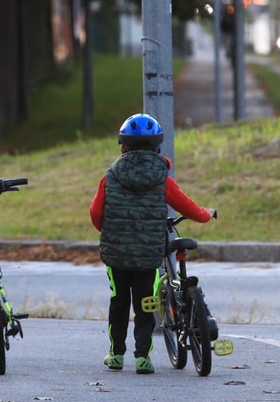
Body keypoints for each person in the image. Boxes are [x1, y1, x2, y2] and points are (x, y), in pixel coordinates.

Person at [89, 113, 216, 374]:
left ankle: (115, 354)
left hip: (117, 253)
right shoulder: (162, 179)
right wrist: (206, 214)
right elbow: (188, 207)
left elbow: (95, 213)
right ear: (157, 147)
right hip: (148, 254)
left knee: (119, 301)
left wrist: (114, 232)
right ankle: (142, 358)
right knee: (146, 303)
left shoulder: (109, 177)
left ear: (123, 146)